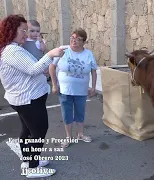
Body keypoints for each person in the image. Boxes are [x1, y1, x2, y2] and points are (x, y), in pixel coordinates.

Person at [0, 14, 65, 178]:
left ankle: (28, 160)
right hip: (28, 100)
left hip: (24, 99)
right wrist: (50, 54)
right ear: (12, 30)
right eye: (23, 30)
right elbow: (32, 69)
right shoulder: (12, 51)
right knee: (38, 131)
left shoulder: (13, 48)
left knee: (27, 130)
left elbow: (29, 68)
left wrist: (42, 67)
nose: (26, 33)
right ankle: (33, 167)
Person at [49, 28, 98, 148]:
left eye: (78, 39)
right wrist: (54, 85)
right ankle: (68, 137)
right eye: (72, 38)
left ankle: (80, 134)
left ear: (84, 42)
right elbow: (51, 67)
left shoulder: (88, 54)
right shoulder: (63, 50)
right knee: (67, 113)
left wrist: (93, 87)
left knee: (80, 112)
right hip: (65, 90)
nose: (74, 41)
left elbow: (93, 71)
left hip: (81, 90)